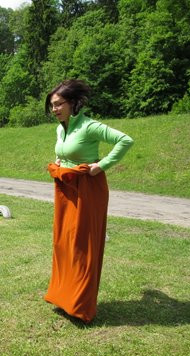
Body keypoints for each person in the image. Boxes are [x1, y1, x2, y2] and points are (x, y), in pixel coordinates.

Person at [43, 79, 134, 323]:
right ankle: (64, 297)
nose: (55, 109)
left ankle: (81, 305)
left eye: (59, 103)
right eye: (52, 105)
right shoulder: (60, 128)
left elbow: (125, 140)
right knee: (64, 243)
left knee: (83, 246)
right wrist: (59, 162)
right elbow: (63, 151)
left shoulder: (89, 126)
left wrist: (101, 165)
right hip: (66, 188)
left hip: (88, 190)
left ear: (73, 103)